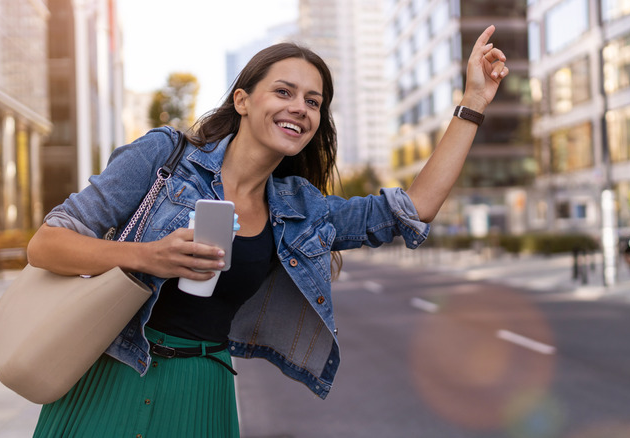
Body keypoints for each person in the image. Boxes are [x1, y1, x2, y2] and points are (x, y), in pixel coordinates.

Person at [27, 25, 508, 438]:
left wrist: (472, 102)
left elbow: (414, 208)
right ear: (242, 100)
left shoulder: (302, 209)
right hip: (111, 375)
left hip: (201, 391)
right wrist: (147, 256)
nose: (300, 107)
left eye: (313, 102)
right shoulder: (165, 157)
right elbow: (47, 244)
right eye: (284, 92)